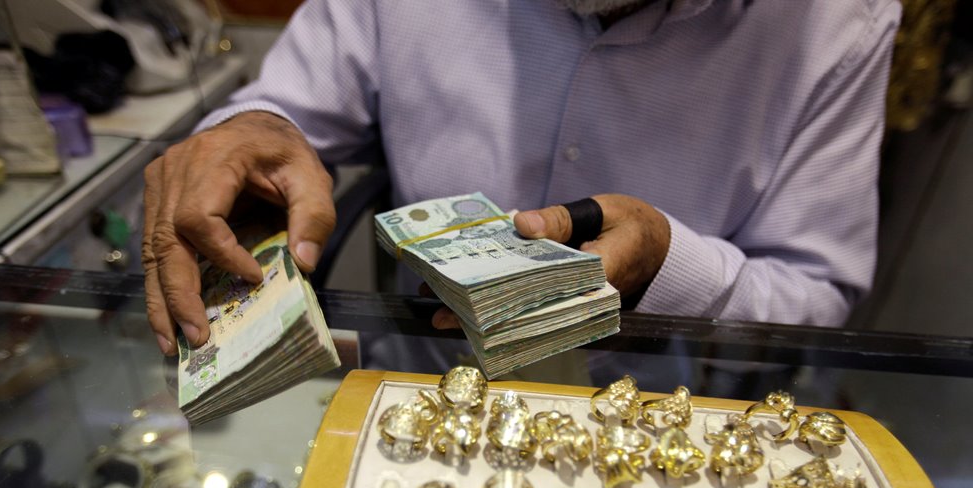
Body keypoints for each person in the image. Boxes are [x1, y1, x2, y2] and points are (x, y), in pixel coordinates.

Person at [142, 0, 901, 357]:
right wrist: (248, 128)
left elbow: (815, 291)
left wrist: (673, 269)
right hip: (426, 373)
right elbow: (288, 112)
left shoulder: (838, 23)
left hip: (672, 415)